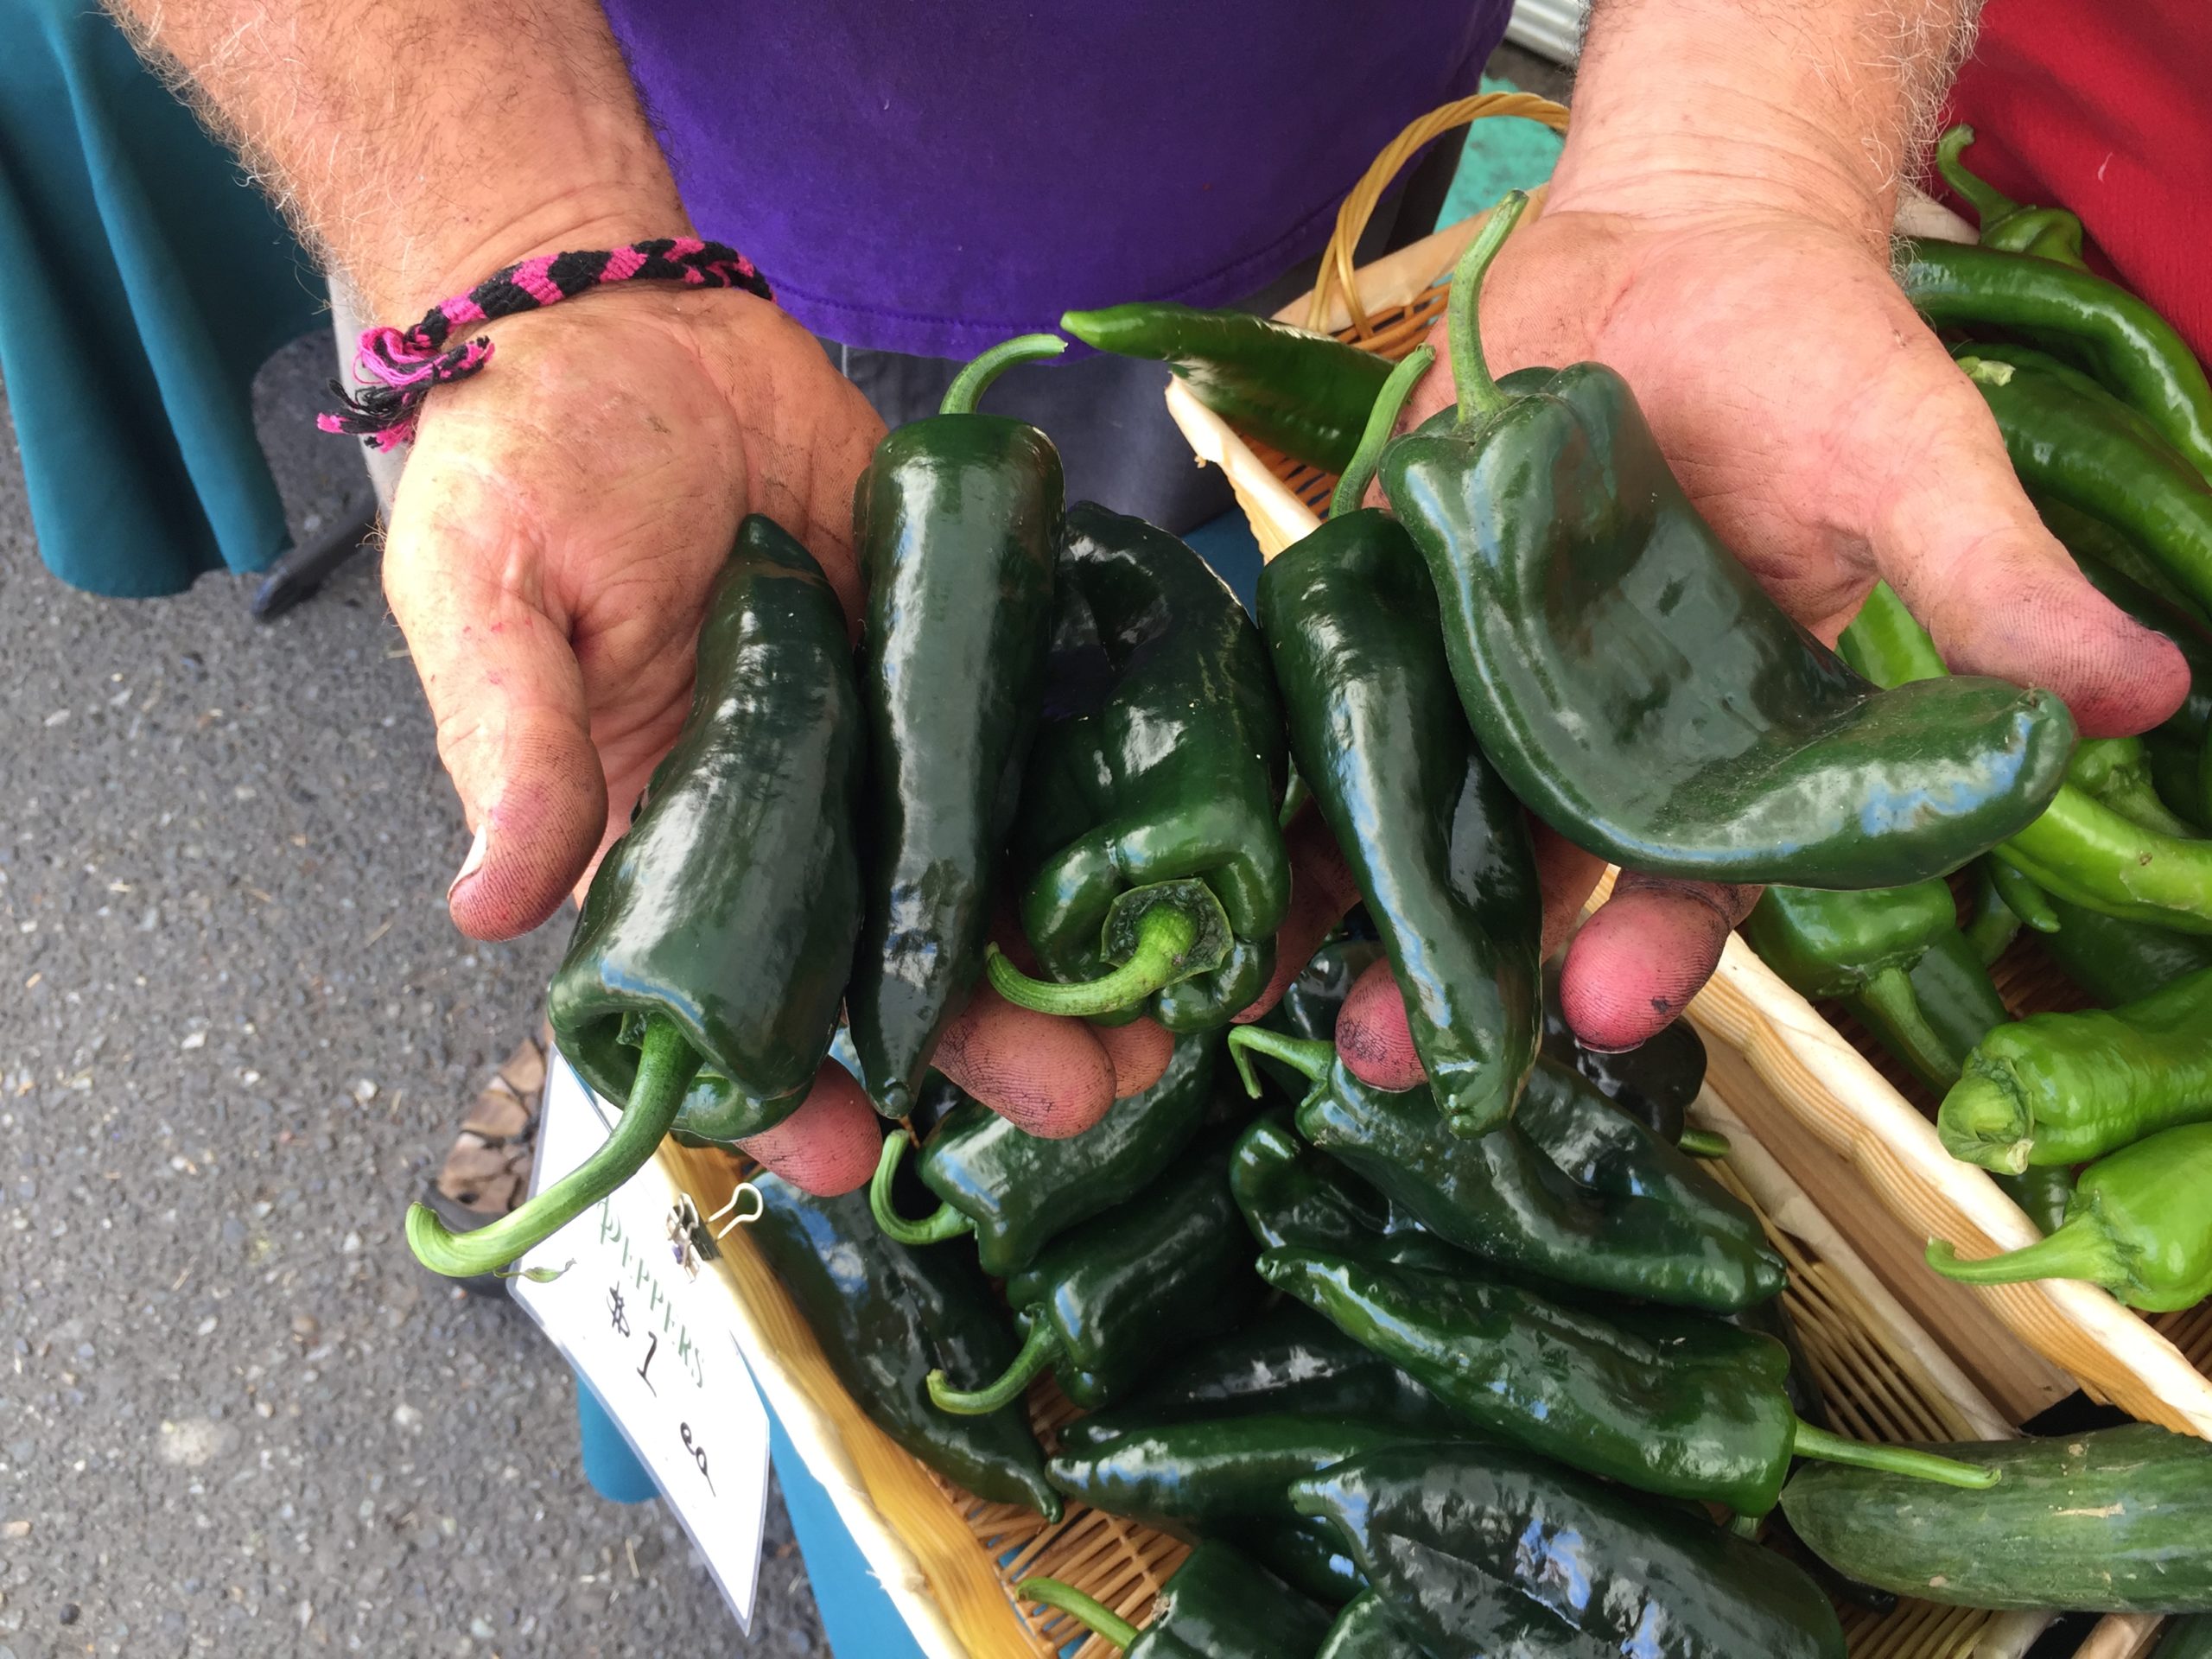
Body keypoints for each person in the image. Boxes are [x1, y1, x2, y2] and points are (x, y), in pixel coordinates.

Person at [105, 0, 2195, 1198]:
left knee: (1080, 650)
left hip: (1285, 128)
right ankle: (661, 1061)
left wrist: (1735, 149)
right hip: (581, 170)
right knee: (653, 742)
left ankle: (747, 1047)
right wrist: (522, 233)